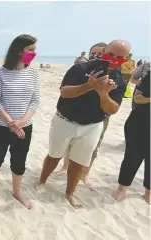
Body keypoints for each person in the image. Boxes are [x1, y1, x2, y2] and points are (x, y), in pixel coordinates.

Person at [36, 40, 130, 209]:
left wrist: (103, 95)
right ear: (103, 52)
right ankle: (42, 181)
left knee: (79, 162)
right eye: (110, 55)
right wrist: (88, 86)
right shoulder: (80, 68)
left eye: (120, 57)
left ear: (126, 59)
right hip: (64, 119)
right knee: (54, 155)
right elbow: (64, 92)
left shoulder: (119, 81)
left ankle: (70, 192)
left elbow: (113, 109)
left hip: (92, 125)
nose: (114, 59)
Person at [0, 34, 40, 209]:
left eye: (34, 49)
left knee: (19, 160)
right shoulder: (0, 72)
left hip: (24, 127)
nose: (34, 53)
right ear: (18, 51)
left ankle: (17, 192)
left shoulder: (33, 73)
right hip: (0, 126)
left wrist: (21, 122)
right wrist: (10, 122)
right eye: (30, 49)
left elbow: (35, 100)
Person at [57, 42, 110, 183]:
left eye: (100, 53)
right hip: (76, 113)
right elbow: (65, 90)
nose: (96, 56)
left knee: (94, 147)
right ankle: (65, 167)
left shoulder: (114, 73)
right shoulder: (80, 69)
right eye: (93, 53)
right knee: (70, 144)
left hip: (98, 117)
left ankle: (85, 174)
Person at [113, 69, 150, 204]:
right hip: (139, 123)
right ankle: (122, 187)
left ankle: (148, 191)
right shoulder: (150, 76)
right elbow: (137, 98)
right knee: (132, 156)